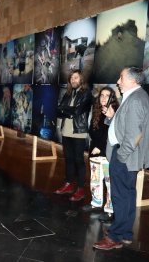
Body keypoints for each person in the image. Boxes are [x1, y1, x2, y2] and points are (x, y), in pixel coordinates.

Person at [94, 67, 149, 250]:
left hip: (125, 157)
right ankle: (125, 233)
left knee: (120, 196)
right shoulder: (136, 96)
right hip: (126, 156)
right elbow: (127, 126)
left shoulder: (135, 100)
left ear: (132, 81)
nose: (118, 82)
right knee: (127, 195)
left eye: (121, 78)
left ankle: (115, 237)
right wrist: (112, 118)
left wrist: (121, 155)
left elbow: (135, 135)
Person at [82, 86, 119, 223]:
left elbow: (112, 134)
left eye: (107, 95)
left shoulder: (114, 112)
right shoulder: (96, 110)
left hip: (107, 153)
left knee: (110, 183)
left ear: (112, 98)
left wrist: (100, 147)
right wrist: (95, 146)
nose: (103, 98)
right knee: (95, 180)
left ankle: (110, 210)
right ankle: (96, 203)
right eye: (101, 95)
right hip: (95, 152)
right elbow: (92, 131)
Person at [55, 69, 93, 201]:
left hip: (79, 132)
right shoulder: (68, 93)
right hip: (66, 131)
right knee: (68, 159)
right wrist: (68, 111)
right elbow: (59, 110)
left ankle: (81, 189)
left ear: (81, 79)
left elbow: (77, 111)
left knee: (79, 161)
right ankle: (69, 184)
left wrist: (67, 110)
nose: (73, 80)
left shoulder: (87, 94)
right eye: (71, 78)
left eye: (76, 78)